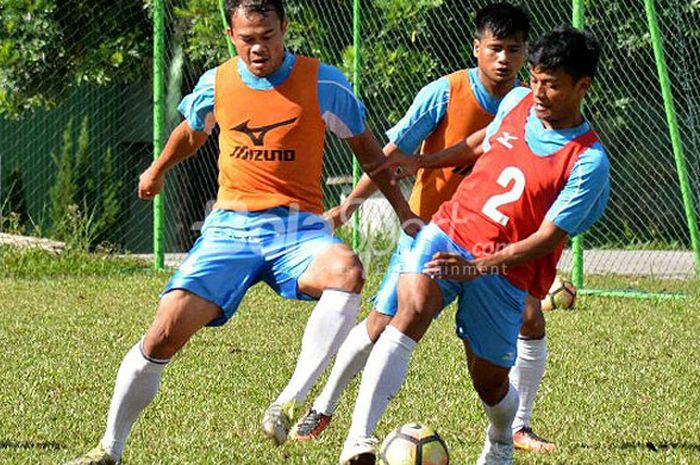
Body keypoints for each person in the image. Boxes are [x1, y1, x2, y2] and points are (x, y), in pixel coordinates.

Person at [64, 1, 418, 464]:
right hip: (231, 228)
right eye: (248, 38)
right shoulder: (217, 82)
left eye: (268, 35)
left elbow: (371, 155)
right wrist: (157, 169)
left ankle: (289, 401)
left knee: (347, 270)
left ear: (284, 28)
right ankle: (109, 448)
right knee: (163, 333)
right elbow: (192, 132)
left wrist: (406, 215)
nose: (259, 47)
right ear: (231, 34)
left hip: (299, 229)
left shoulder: (324, 82)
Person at [290, 3, 554, 454]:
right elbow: (389, 155)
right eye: (495, 48)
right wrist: (349, 206)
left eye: (514, 50)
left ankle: (519, 426)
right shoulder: (444, 94)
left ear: (527, 52)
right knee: (382, 321)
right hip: (433, 233)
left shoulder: (532, 104)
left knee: (531, 317)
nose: (504, 59)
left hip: (496, 245)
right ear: (477, 49)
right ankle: (325, 403)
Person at [339, 25, 610, 465]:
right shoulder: (518, 100)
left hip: (505, 271)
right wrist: (422, 160)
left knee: (490, 384)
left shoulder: (588, 161)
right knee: (408, 312)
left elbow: (546, 240)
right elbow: (481, 141)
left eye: (552, 85)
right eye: (536, 79)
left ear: (583, 87)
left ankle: (502, 438)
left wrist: (479, 266)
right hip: (448, 230)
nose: (538, 93)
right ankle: (358, 442)